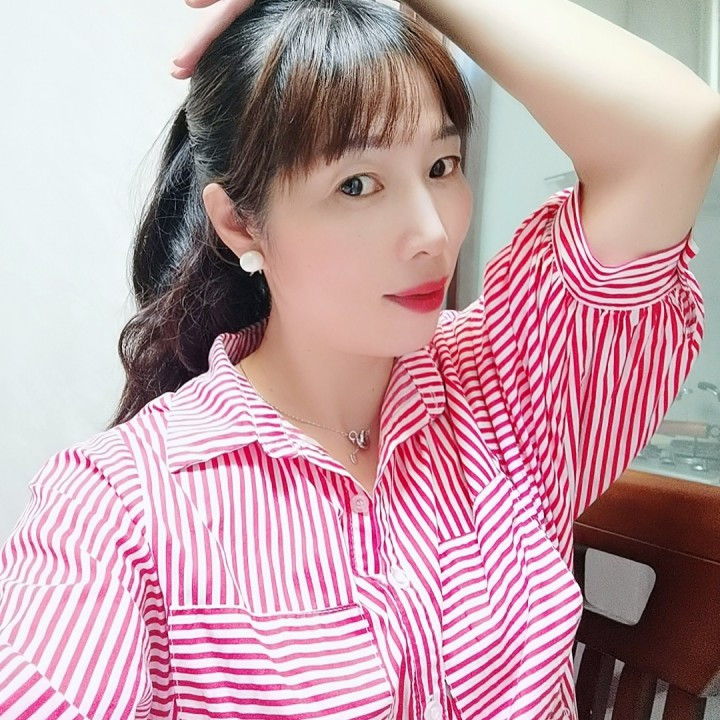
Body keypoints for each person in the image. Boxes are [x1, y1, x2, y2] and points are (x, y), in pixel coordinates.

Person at [0, 0, 718, 717]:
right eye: (357, 184)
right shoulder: (119, 506)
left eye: (441, 165)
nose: (432, 232)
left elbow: (673, 132)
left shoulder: (506, 388)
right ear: (239, 222)